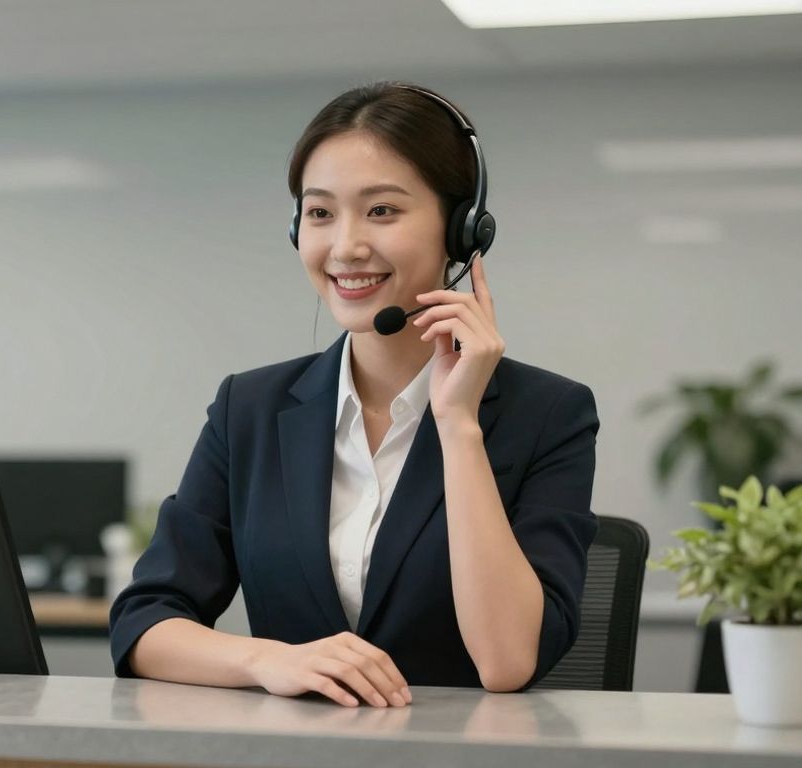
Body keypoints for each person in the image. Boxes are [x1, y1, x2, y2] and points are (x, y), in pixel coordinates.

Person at [109, 82, 598, 707]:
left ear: (461, 230)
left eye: (382, 211)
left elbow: (506, 663)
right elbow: (143, 623)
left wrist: (457, 426)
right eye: (319, 213)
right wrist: (268, 659)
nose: (345, 247)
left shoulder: (549, 414)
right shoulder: (250, 408)